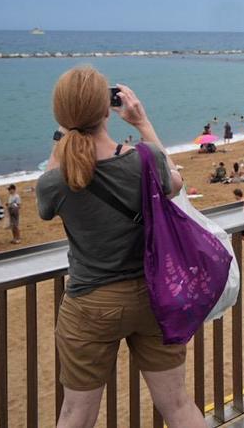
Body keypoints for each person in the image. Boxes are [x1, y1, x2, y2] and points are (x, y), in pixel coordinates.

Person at [36, 66, 205, 428]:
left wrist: (63, 135)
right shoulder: (142, 160)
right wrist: (142, 123)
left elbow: (46, 204)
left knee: (75, 414)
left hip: (91, 302)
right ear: (105, 111)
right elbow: (175, 182)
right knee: (177, 405)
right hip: (153, 296)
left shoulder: (56, 181)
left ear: (61, 116)